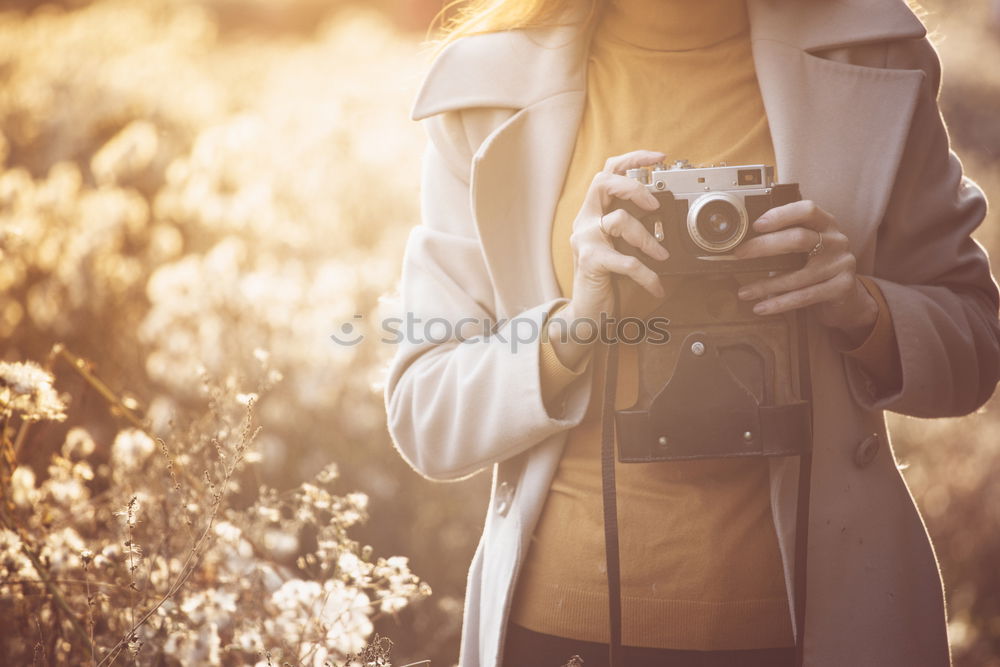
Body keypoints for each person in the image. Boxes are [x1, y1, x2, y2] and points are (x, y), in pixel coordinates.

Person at [383, 0, 1000, 665]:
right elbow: (425, 407)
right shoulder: (488, 83)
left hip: (814, 627)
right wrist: (574, 326)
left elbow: (978, 339)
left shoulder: (871, 49)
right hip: (561, 624)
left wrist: (859, 306)